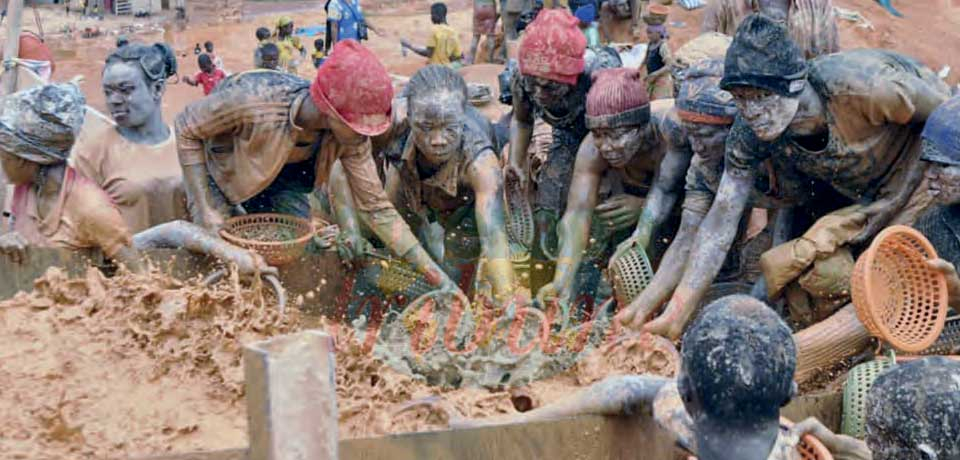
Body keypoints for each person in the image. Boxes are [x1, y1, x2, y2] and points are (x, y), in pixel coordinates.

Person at [619, 14, 950, 339]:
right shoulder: (748, 133)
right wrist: (677, 313)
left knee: (900, 279)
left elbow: (949, 118)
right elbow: (720, 221)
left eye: (761, 96)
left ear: (793, 85)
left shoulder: (867, 88)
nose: (752, 112)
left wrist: (908, 192)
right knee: (823, 275)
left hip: (925, 178)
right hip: (860, 196)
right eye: (740, 99)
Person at [174, 40, 463, 295]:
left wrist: (437, 278)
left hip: (281, 179)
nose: (368, 137)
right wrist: (207, 208)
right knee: (223, 253)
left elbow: (377, 208)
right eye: (361, 128)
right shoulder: (253, 101)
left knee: (299, 252)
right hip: (226, 169)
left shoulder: (350, 138)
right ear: (330, 112)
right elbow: (186, 127)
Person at [461, 295, 833, 460]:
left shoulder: (682, 420)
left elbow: (641, 392)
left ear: (687, 394)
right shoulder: (797, 447)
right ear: (790, 392)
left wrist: (508, 425)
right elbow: (627, 389)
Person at [0, 84, 274, 277]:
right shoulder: (24, 188)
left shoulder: (89, 208)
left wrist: (235, 256)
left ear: (27, 158)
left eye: (5, 155)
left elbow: (142, 279)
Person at [332, 66, 518, 301]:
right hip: (408, 182)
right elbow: (342, 166)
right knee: (396, 255)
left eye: (450, 128)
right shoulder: (389, 125)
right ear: (409, 116)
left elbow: (493, 236)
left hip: (462, 204)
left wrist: (506, 295)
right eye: (426, 128)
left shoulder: (481, 162)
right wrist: (349, 229)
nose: (438, 141)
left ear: (463, 116)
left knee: (456, 280)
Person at [536, 68, 692, 311]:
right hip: (639, 203)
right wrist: (561, 279)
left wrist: (642, 209)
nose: (606, 147)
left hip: (687, 207)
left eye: (615, 136)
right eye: (598, 134)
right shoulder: (592, 148)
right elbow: (577, 214)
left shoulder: (671, 133)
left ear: (641, 126)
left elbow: (688, 197)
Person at [507, 9, 599, 259]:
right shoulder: (522, 77)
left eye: (548, 86)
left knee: (596, 218)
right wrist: (515, 161)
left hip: (608, 144)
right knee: (546, 215)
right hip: (567, 137)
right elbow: (522, 120)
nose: (538, 92)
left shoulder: (597, 76)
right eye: (532, 83)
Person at [72, 43, 189, 234]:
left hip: (187, 262)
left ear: (157, 89)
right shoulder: (92, 153)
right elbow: (79, 226)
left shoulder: (187, 146)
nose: (114, 100)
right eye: (108, 92)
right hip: (124, 263)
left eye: (125, 90)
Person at [701, 0, 837, 59]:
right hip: (741, 104)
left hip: (801, 104)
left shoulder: (819, 4)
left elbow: (830, 63)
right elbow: (706, 59)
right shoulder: (723, 4)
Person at [401, 3, 463, 68]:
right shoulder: (453, 32)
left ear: (437, 15)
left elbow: (428, 53)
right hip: (448, 70)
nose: (431, 17)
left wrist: (410, 46)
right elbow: (457, 56)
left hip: (435, 70)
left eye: (432, 14)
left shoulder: (434, 30)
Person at [642, 23, 674, 100]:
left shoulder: (663, 46)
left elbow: (669, 66)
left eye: (650, 33)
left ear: (658, 33)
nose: (648, 36)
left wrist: (656, 74)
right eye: (647, 33)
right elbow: (646, 60)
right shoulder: (650, 44)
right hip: (652, 79)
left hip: (662, 80)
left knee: (659, 104)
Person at [469, 0, 499, 65]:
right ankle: (490, 60)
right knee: (490, 36)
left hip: (478, 7)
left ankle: (470, 60)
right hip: (490, 7)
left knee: (476, 36)